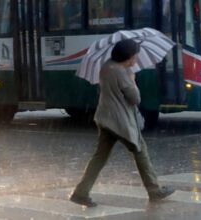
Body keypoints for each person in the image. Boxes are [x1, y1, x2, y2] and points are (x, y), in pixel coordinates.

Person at [69, 39, 175, 207]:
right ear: (128, 57)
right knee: (140, 150)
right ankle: (154, 190)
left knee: (99, 157)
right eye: (135, 56)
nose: (136, 59)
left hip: (106, 118)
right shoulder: (120, 72)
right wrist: (132, 79)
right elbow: (135, 98)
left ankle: (80, 192)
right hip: (120, 121)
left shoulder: (107, 66)